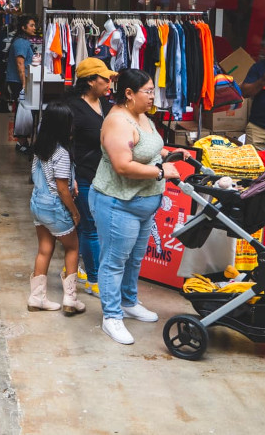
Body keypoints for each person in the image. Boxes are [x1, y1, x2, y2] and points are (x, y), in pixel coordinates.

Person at [89, 69, 181, 346]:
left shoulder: (141, 116)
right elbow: (123, 165)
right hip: (119, 203)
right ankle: (111, 316)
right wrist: (162, 171)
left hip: (144, 203)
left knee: (134, 259)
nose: (153, 96)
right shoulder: (118, 122)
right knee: (114, 262)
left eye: (153, 90)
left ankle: (128, 302)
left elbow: (148, 148)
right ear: (129, 93)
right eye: (148, 91)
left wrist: (170, 153)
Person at [26, 103, 86, 316]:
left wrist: (72, 181)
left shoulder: (40, 149)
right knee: (72, 247)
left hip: (37, 204)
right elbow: (61, 188)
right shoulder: (61, 153)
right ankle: (70, 299)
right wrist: (74, 212)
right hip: (55, 206)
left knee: (44, 248)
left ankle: (37, 298)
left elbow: (46, 178)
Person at [65, 58, 116, 297]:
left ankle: (71, 267)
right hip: (83, 175)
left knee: (96, 227)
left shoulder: (106, 104)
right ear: (89, 81)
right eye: (104, 79)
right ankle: (94, 280)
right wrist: (69, 175)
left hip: (106, 174)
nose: (109, 82)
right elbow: (63, 144)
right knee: (90, 226)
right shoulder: (72, 107)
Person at [6, 15, 39, 153]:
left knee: (24, 110)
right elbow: (20, 65)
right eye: (31, 25)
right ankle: (21, 142)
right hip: (19, 81)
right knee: (24, 111)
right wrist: (24, 85)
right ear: (23, 27)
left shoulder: (23, 41)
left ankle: (23, 141)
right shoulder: (21, 43)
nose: (34, 28)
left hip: (20, 81)